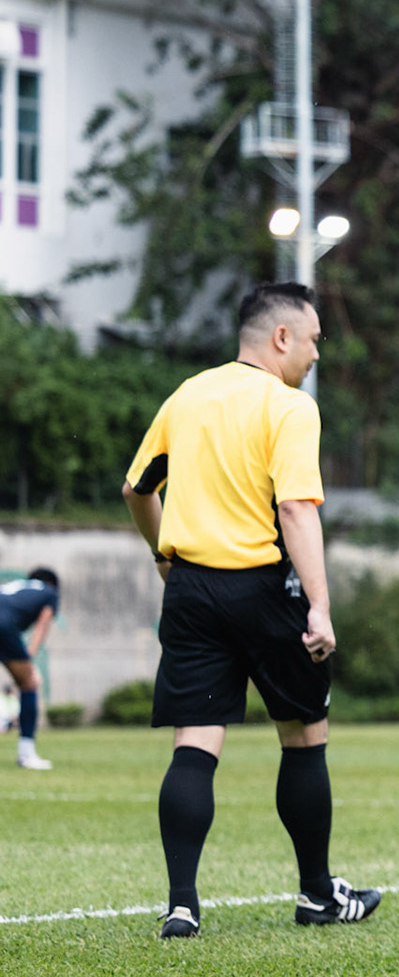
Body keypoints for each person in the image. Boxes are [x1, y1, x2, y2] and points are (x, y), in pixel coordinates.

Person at [121, 282, 379, 941]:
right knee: (303, 734)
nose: (318, 353)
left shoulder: (188, 395)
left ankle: (182, 903)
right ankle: (318, 894)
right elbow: (295, 509)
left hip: (192, 591)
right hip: (265, 590)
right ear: (282, 337)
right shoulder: (290, 409)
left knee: (195, 742)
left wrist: (162, 553)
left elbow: (136, 486)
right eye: (315, 339)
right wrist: (320, 607)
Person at [1, 567, 59, 770]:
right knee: (29, 683)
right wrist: (30, 659)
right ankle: (26, 754)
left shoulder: (16, 587)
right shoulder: (50, 592)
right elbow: (43, 625)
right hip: (4, 625)